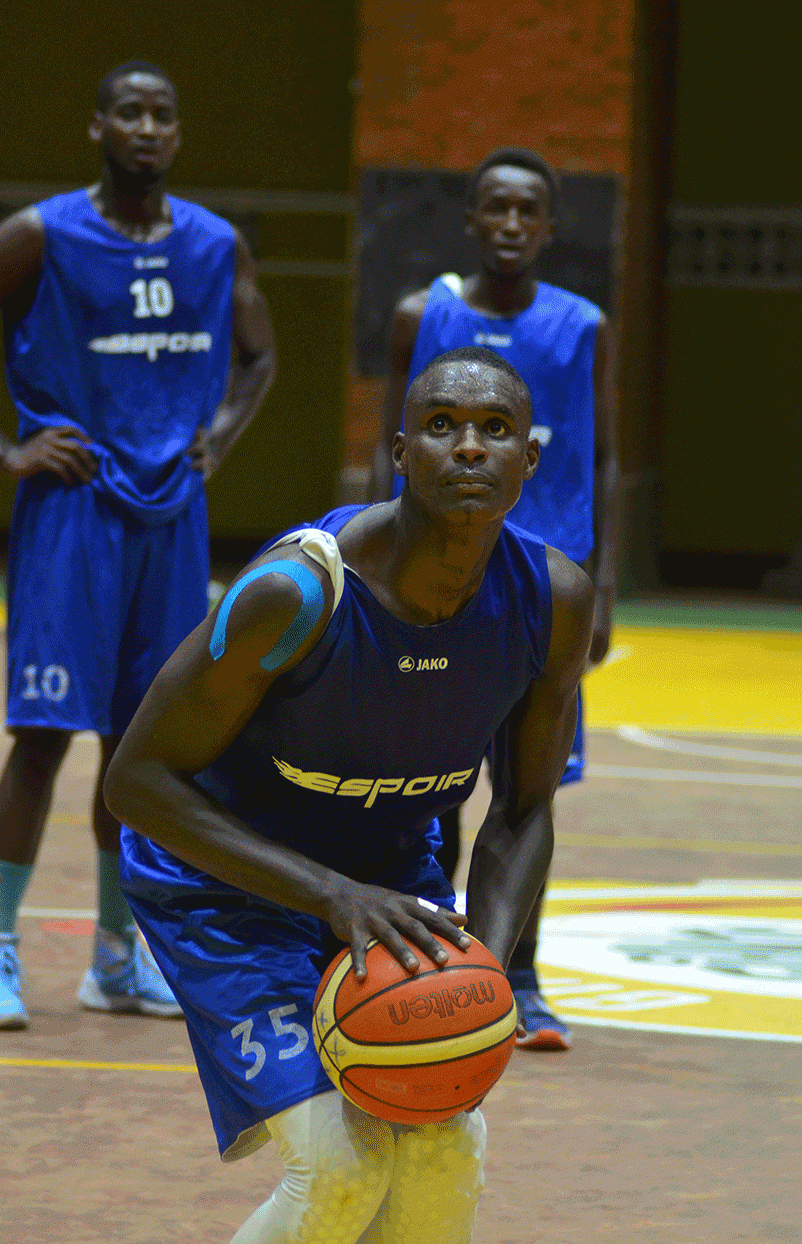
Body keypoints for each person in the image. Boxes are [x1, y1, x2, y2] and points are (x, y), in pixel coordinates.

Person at [103, 347, 593, 1243]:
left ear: (531, 460)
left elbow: (525, 809)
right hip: (225, 889)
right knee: (340, 1168)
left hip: (388, 886)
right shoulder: (296, 593)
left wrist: (475, 968)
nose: (470, 448)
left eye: (495, 430)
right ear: (398, 455)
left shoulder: (554, 601)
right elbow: (136, 784)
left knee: (446, 1149)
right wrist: (330, 894)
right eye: (442, 426)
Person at [0, 61, 275, 1029]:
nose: (147, 126)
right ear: (97, 126)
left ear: (177, 132)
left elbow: (259, 354)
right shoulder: (39, 235)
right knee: (39, 739)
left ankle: (118, 957)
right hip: (70, 512)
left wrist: (219, 438)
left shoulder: (214, 242)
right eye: (130, 110)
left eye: (163, 112)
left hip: (172, 516)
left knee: (141, 743)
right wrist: (14, 448)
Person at [371, 147, 619, 1050]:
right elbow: (385, 454)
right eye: (496, 210)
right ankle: (426, 960)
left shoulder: (583, 325)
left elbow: (605, 456)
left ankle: (520, 974)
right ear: (471, 221)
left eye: (529, 212)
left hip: (540, 594)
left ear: (550, 227)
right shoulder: (421, 315)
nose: (512, 226)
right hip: (436, 582)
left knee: (527, 788)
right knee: (428, 784)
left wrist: (607, 587)